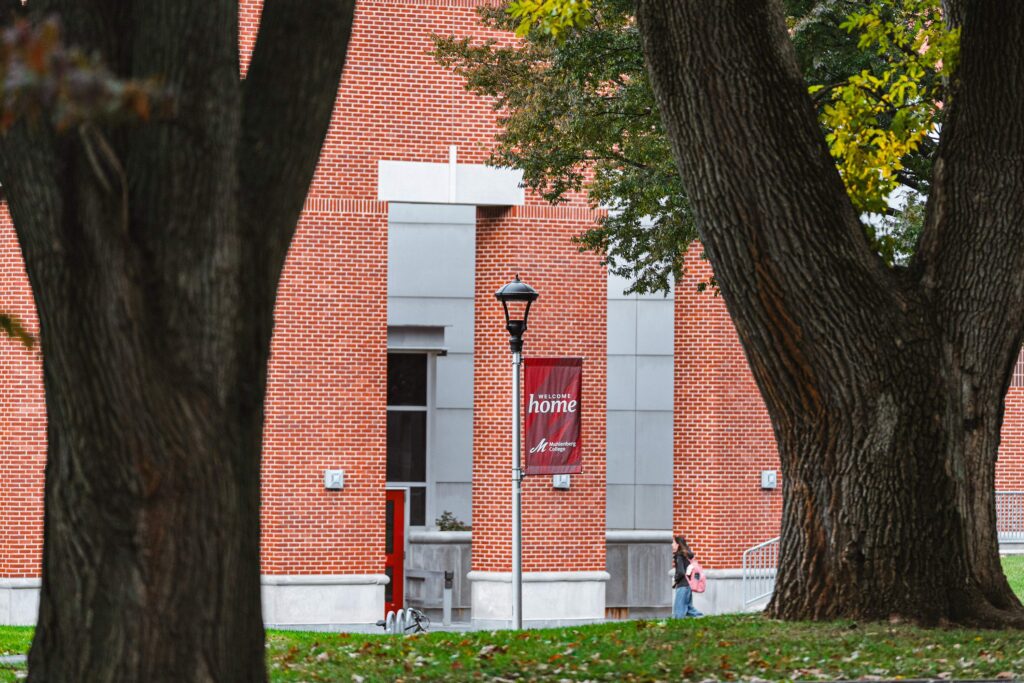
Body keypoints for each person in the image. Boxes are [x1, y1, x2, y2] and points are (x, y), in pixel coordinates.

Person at [672, 535, 704, 618]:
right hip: (687, 587)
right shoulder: (686, 555)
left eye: (673, 543)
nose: (671, 545)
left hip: (682, 586)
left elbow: (681, 572)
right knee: (690, 610)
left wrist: (675, 579)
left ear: (678, 545)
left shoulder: (679, 556)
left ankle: (677, 629)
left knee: (678, 613)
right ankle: (704, 619)